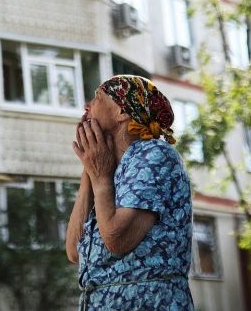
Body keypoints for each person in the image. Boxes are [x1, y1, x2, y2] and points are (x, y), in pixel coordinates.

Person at [65, 75, 194, 310]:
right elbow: (74, 252)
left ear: (122, 111)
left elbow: (118, 239)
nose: (87, 106)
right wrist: (89, 170)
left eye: (97, 97)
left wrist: (100, 178)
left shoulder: (155, 154)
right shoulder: (109, 168)